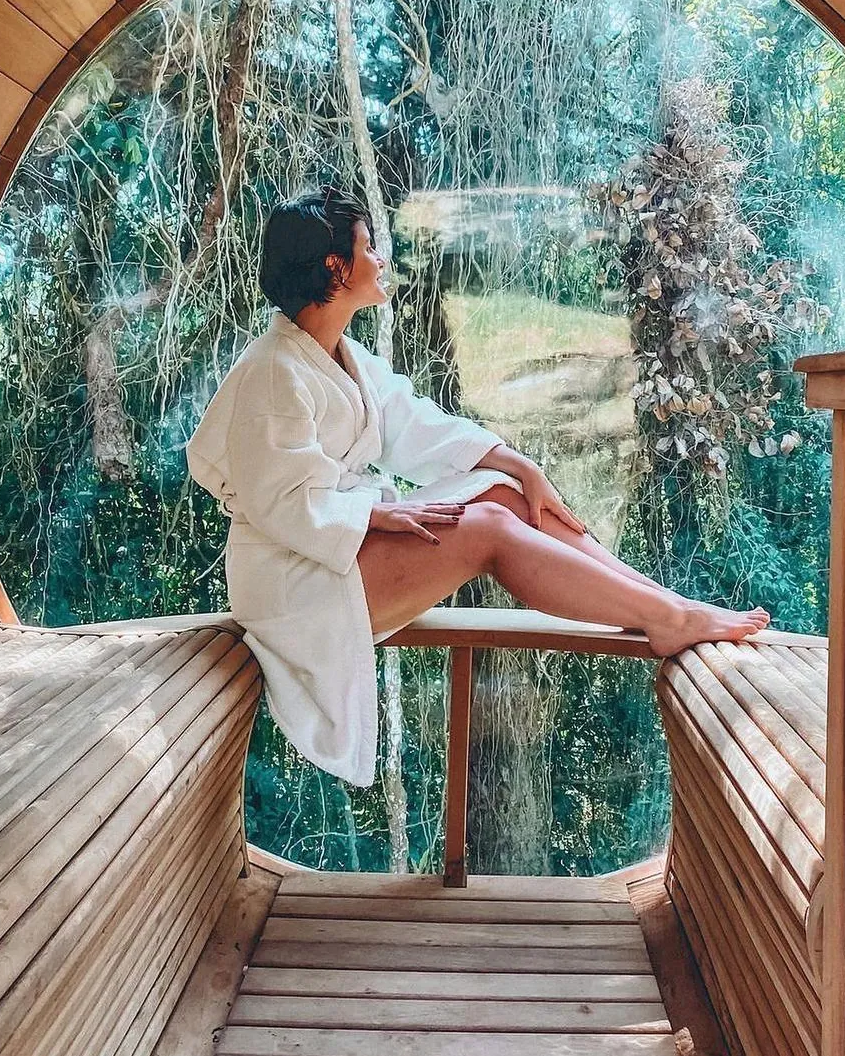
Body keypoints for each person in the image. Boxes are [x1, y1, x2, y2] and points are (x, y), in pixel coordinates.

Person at [186, 186, 769, 787]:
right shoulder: (275, 371)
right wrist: (372, 517)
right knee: (487, 529)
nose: (381, 259)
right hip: (294, 581)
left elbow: (416, 425)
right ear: (336, 267)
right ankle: (667, 616)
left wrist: (519, 465)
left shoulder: (338, 354)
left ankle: (666, 605)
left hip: (333, 547)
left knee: (502, 492)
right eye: (368, 247)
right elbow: (279, 499)